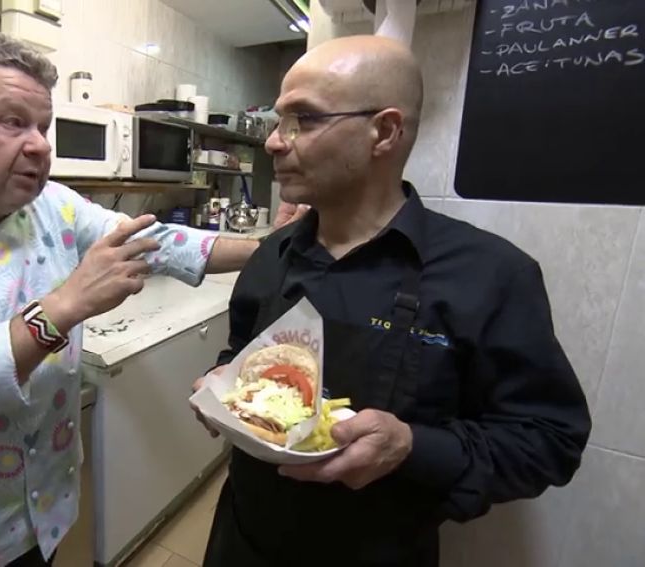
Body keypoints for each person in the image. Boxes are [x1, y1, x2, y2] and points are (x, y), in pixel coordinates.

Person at [0, 33, 266, 567]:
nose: (39, 144)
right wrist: (66, 305)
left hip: (51, 504)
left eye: (43, 127)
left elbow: (157, 240)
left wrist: (272, 248)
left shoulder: (52, 205)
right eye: (12, 122)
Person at [193, 35, 591, 566]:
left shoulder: (492, 275)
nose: (273, 142)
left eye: (303, 120)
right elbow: (238, 353)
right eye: (277, 120)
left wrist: (410, 446)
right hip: (243, 542)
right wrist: (221, 388)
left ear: (384, 131)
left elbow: (549, 440)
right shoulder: (272, 255)